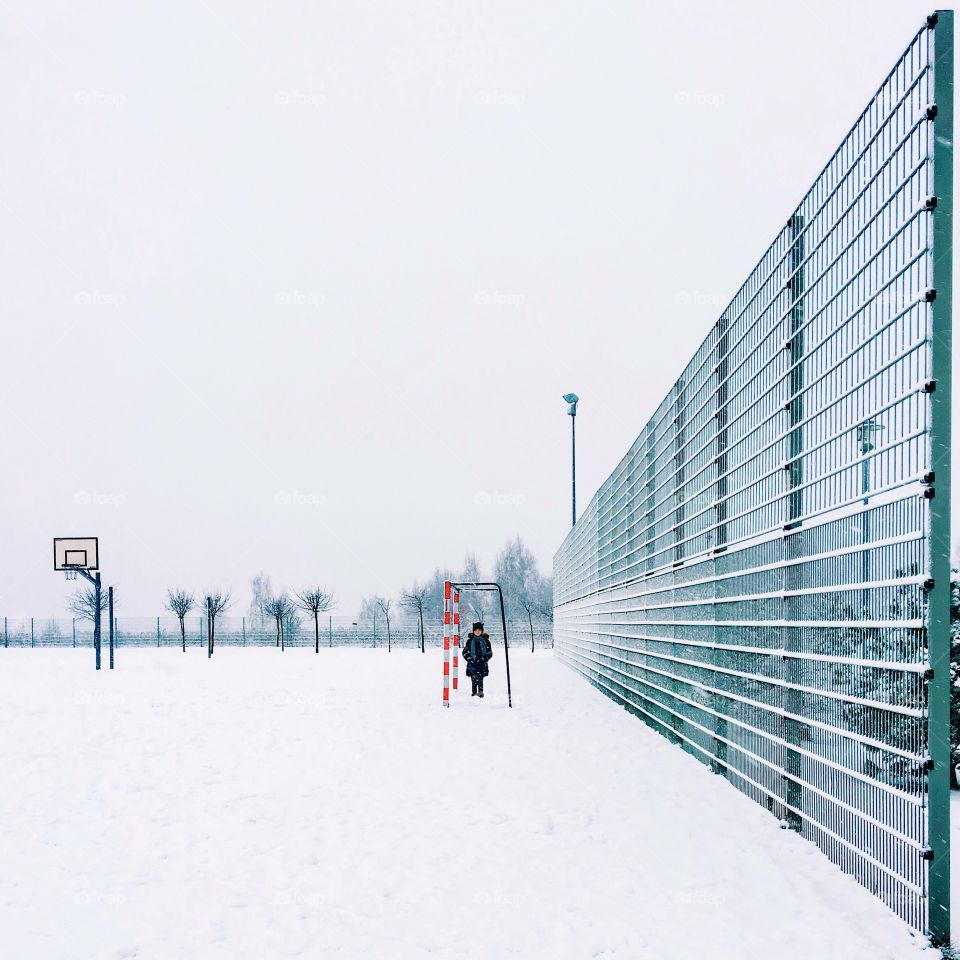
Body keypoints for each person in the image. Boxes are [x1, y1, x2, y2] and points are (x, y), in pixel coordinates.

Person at [462, 621, 492, 698]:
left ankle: (480, 693)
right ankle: (474, 693)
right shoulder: (470, 641)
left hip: (482, 663)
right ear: (473, 631)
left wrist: (484, 659)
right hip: (472, 664)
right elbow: (465, 652)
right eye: (475, 630)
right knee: (473, 679)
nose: (477, 632)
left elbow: (489, 653)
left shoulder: (486, 641)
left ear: (482, 631)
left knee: (480, 679)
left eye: (479, 630)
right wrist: (469, 659)